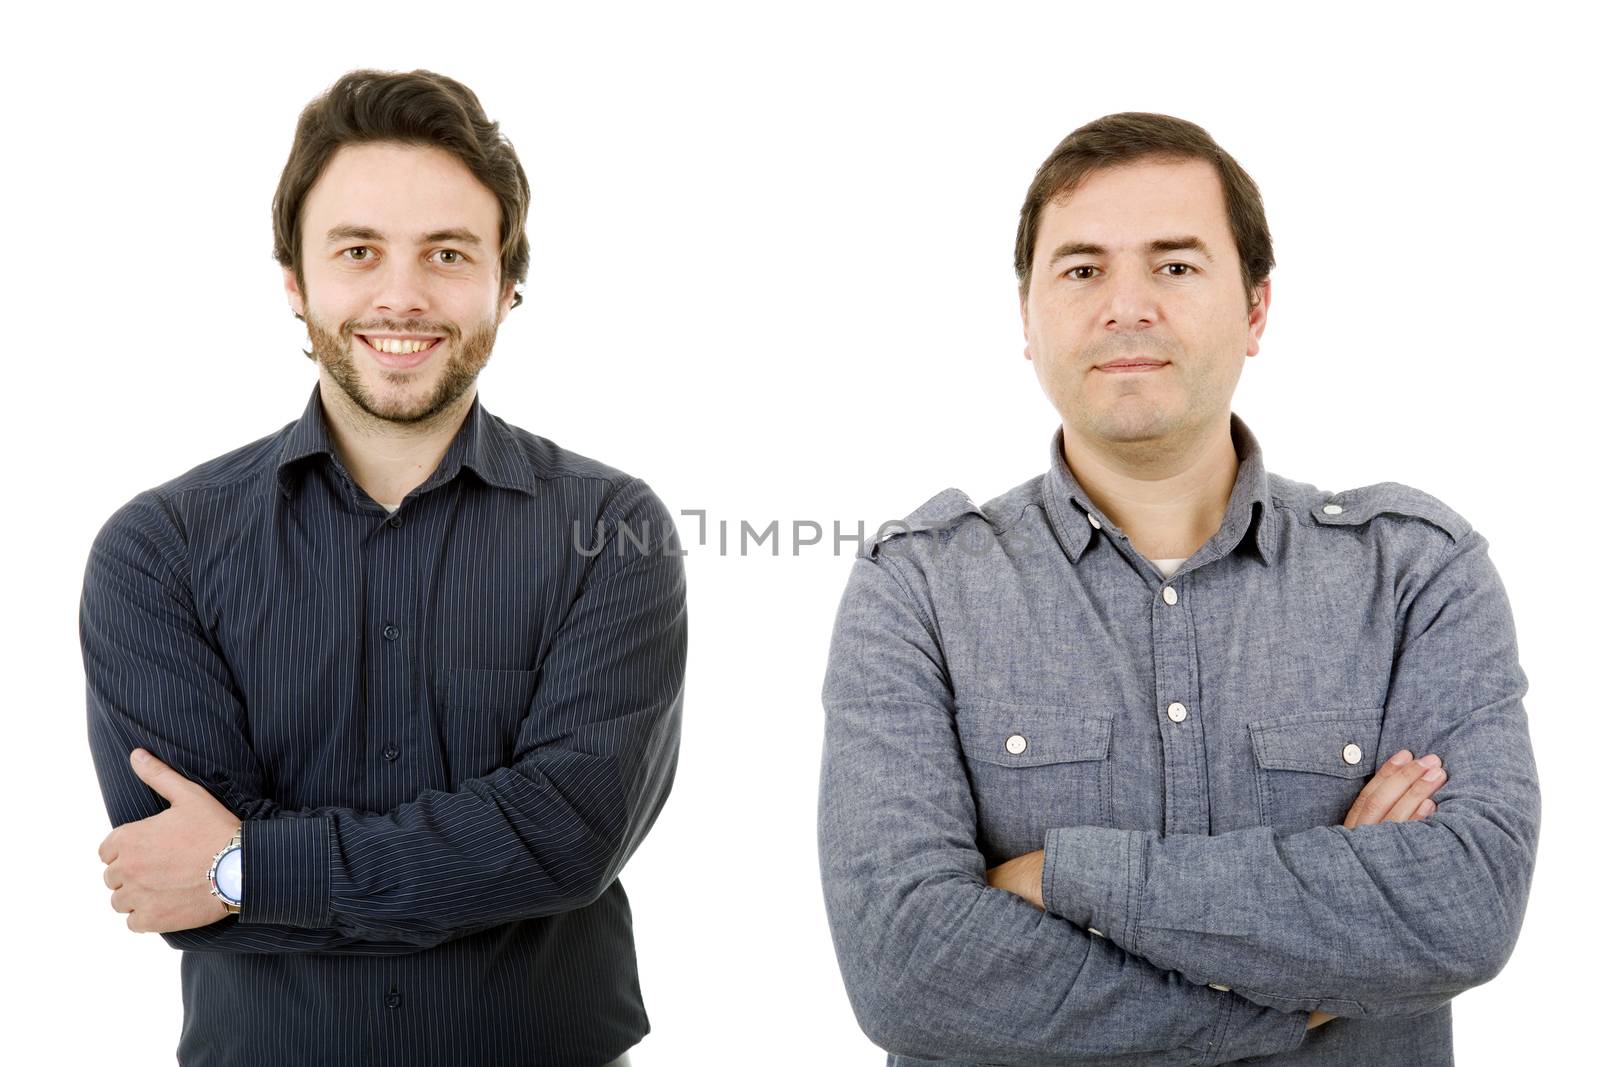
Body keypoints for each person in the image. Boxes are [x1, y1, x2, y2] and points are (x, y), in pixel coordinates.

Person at [818, 112, 1538, 1066]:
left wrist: (1060, 876)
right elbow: (907, 969)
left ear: (1255, 309)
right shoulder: (918, 588)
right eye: (1081, 269)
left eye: (1175, 265)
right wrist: (1302, 993)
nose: (1127, 305)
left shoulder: (1417, 573)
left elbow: (1463, 907)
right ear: (1026, 319)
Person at [82, 69, 685, 1067]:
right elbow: (176, 887)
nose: (401, 294)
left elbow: (567, 835)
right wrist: (470, 858)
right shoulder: (159, 550)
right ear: (295, 280)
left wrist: (249, 866)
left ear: (507, 283)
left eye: (447, 254)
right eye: (358, 250)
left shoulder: (614, 530)